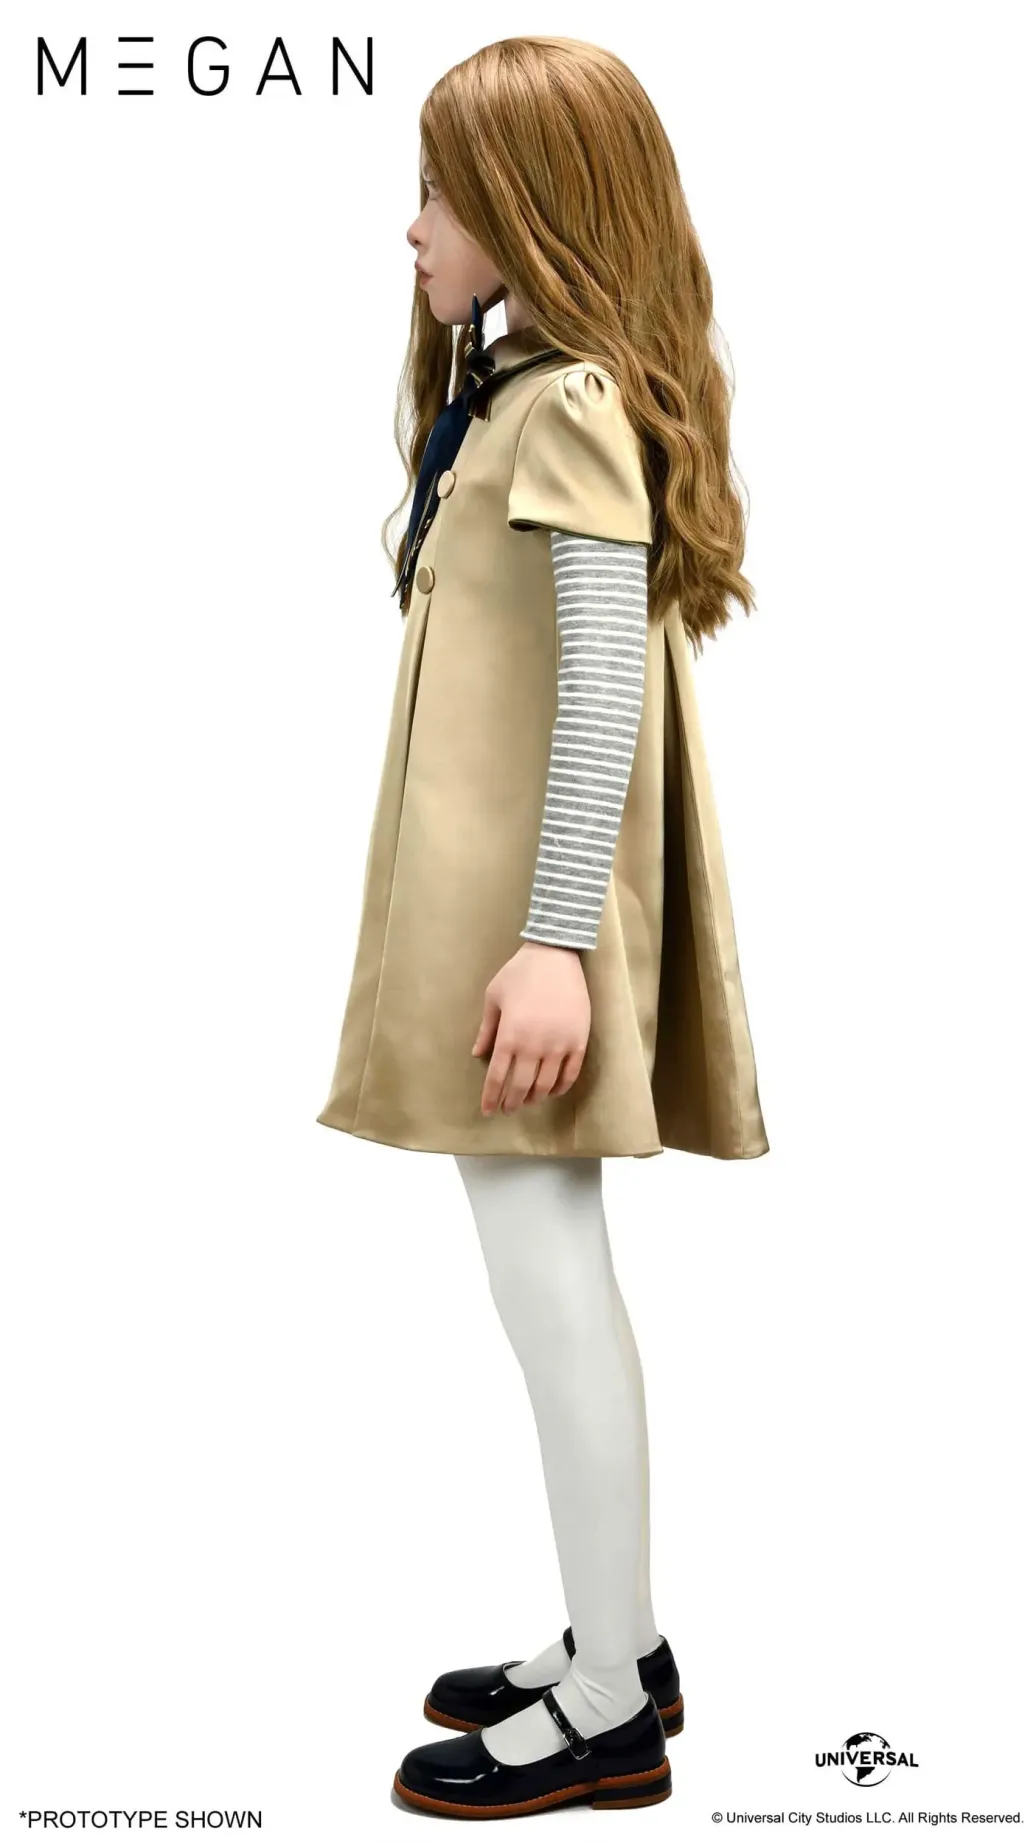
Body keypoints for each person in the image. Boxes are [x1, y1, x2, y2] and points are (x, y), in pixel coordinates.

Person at [316, 34, 769, 1819]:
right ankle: (618, 1641)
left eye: (440, 191)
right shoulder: (511, 390)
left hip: (529, 931)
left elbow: (601, 692)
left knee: (550, 1279)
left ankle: (608, 1703)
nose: (413, 225)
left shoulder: (564, 404)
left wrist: (556, 940)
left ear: (530, 205)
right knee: (541, 1274)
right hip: (499, 913)